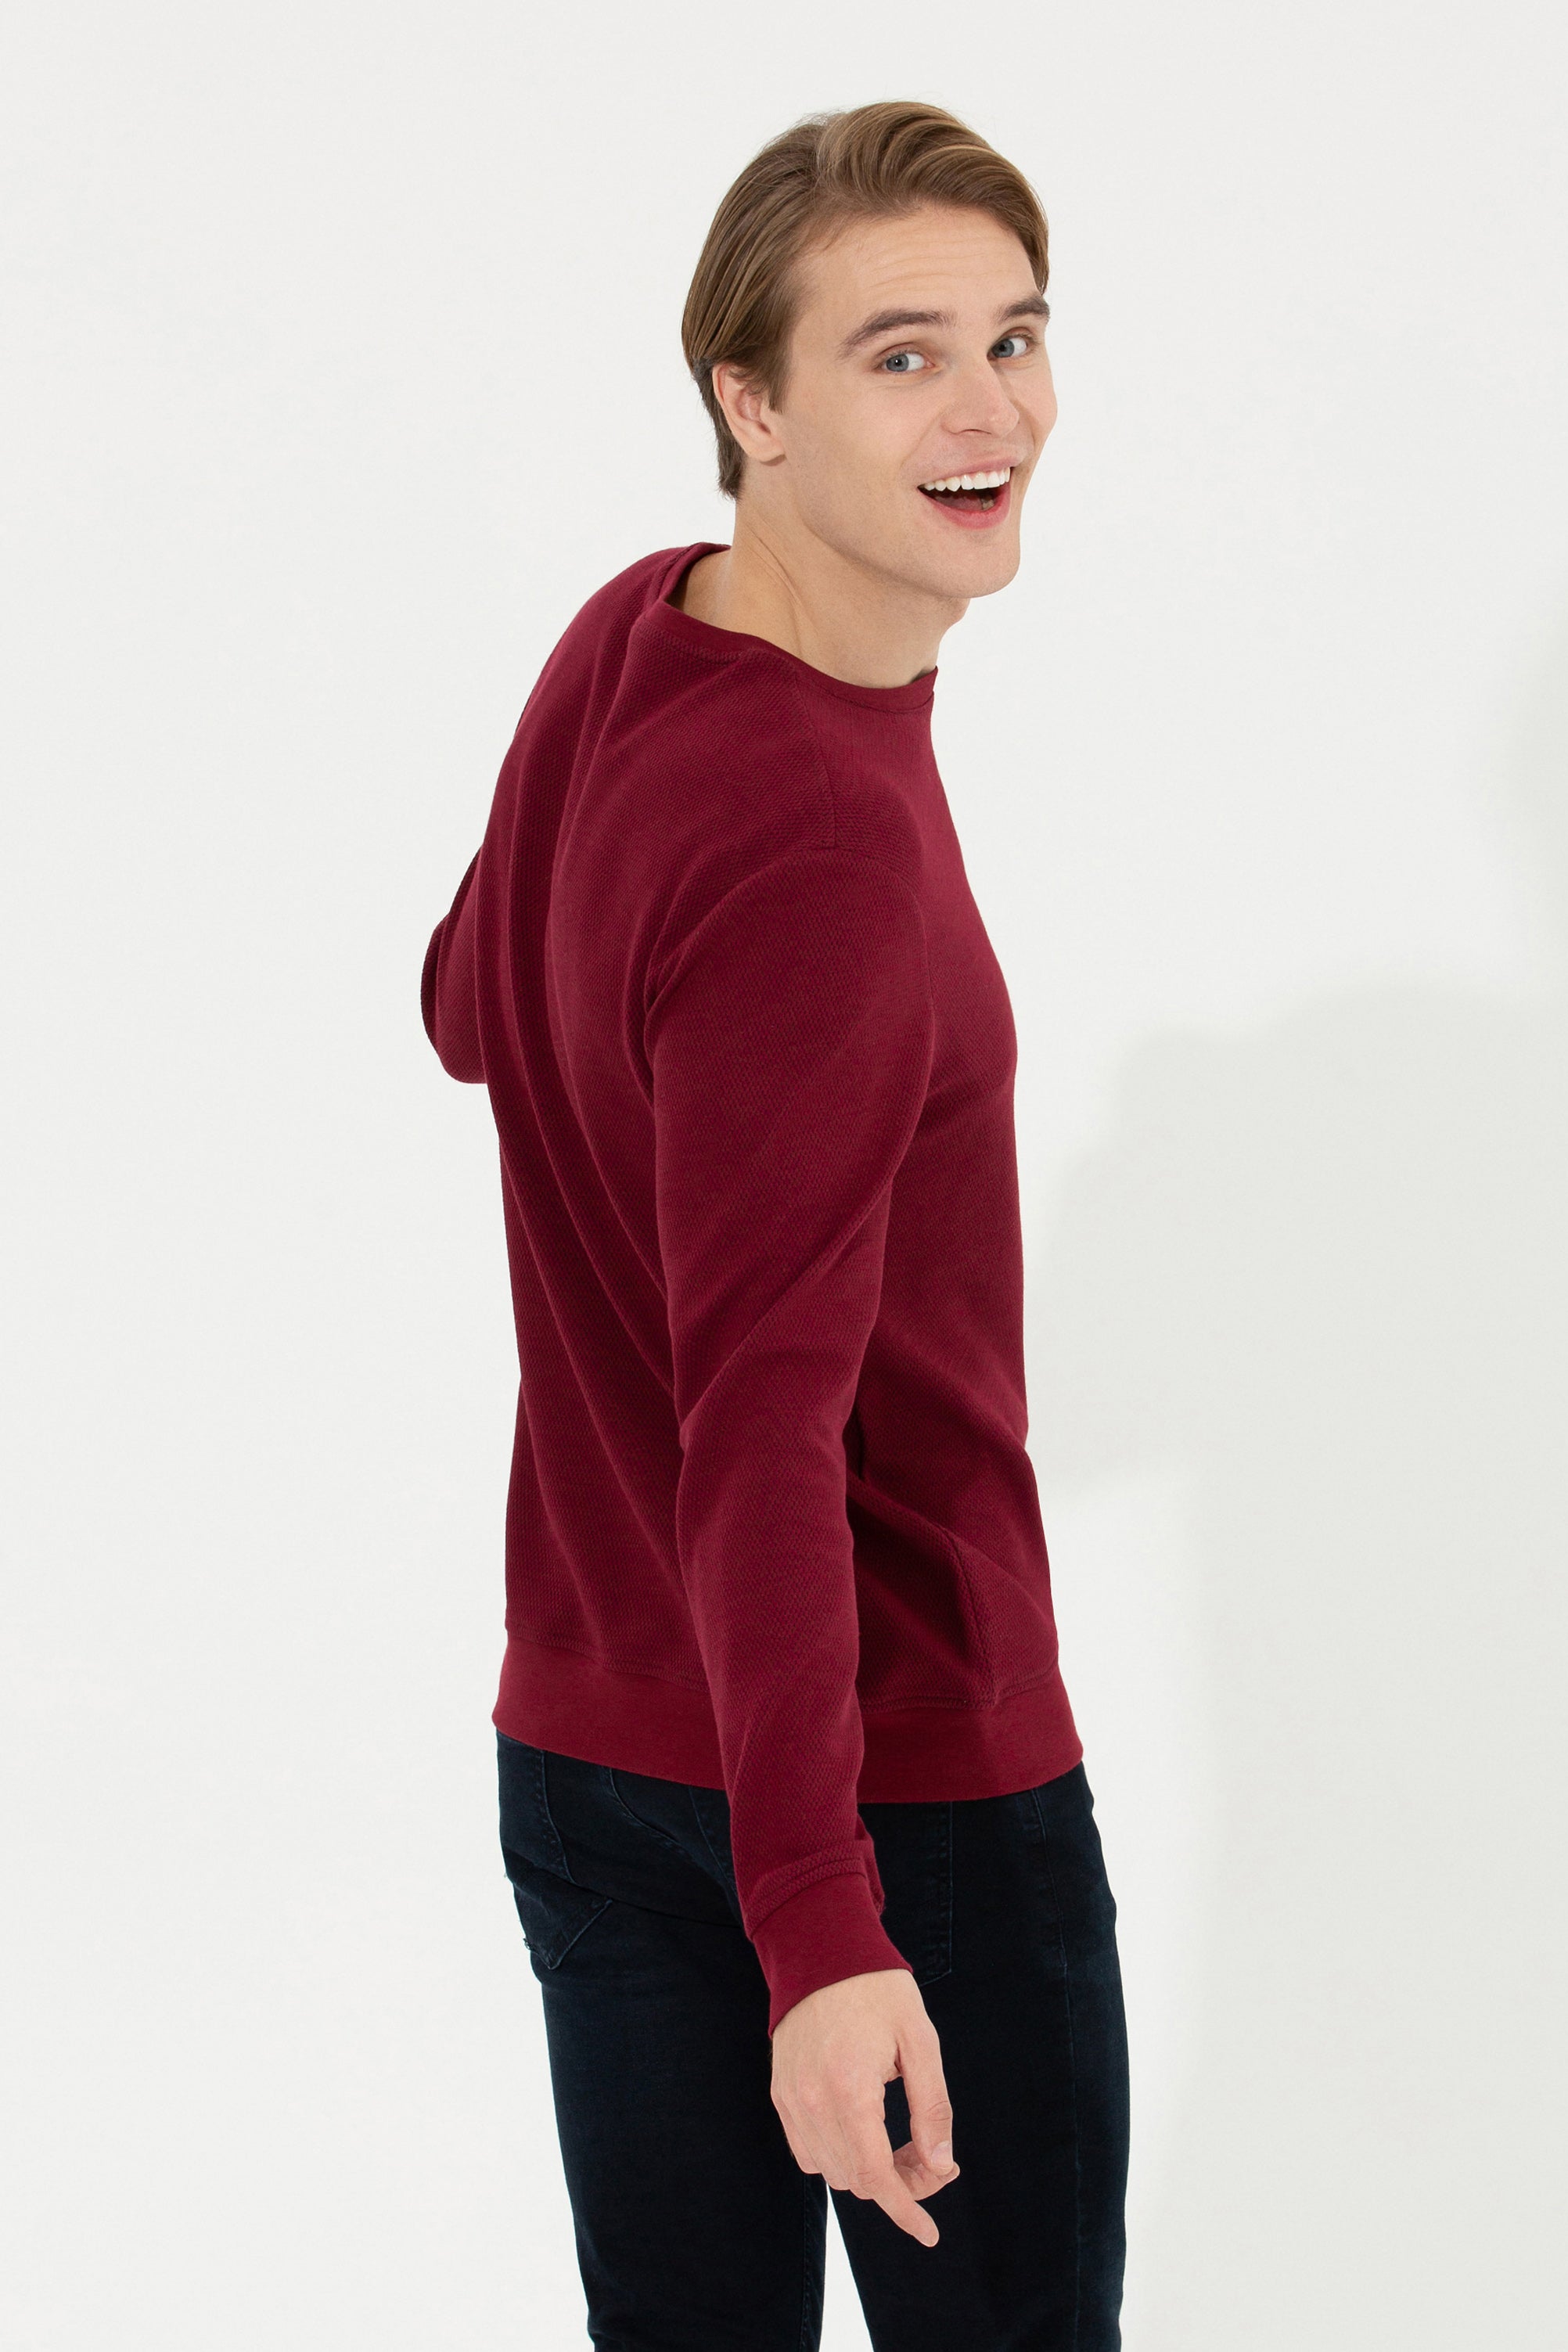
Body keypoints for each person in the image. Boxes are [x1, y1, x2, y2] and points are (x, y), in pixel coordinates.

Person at [421, 98, 1130, 2352]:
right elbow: (760, 1427)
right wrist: (822, 1928)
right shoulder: (820, 839)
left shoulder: (636, 630)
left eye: (1015, 335)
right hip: (886, 1802)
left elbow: (466, 1003)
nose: (990, 408)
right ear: (752, 402)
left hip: (598, 1746)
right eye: (899, 355)